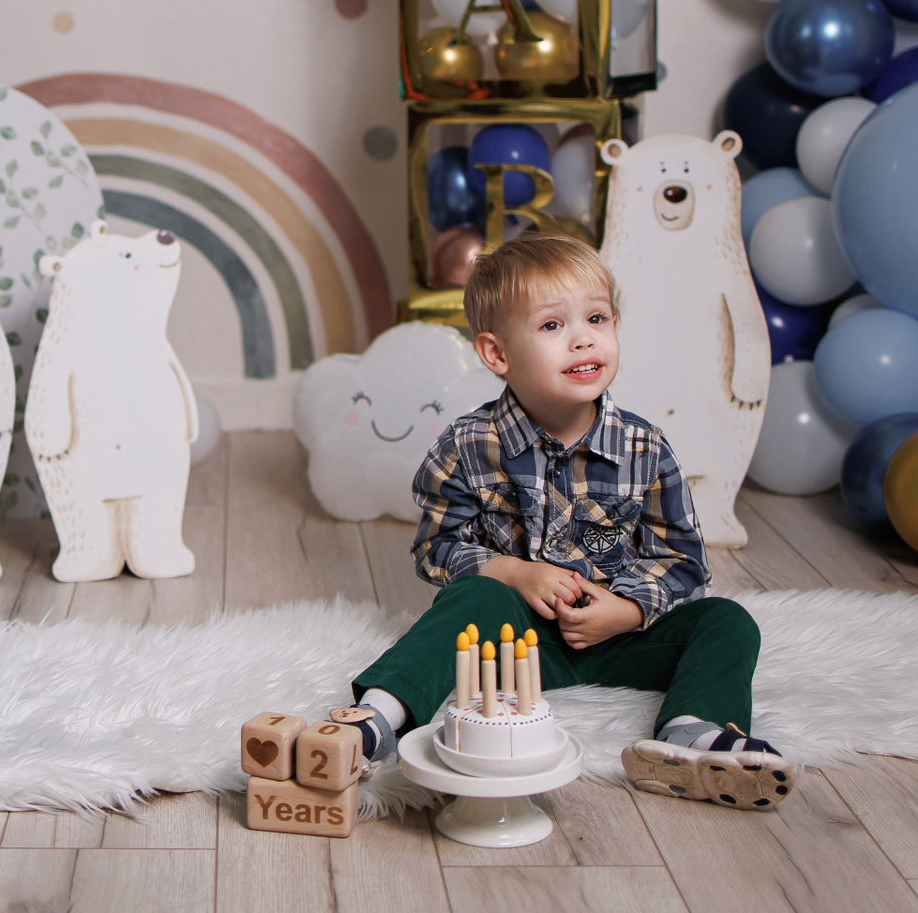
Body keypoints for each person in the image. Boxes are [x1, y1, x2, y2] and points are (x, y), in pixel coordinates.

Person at [327, 233, 791, 810]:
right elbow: (435, 548)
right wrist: (515, 574)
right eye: (552, 325)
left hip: (619, 637)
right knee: (474, 599)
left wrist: (626, 610)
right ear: (498, 354)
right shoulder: (469, 444)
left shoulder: (643, 447)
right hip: (510, 644)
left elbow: (683, 562)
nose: (583, 338)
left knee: (727, 622)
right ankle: (376, 719)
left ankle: (691, 733)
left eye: (597, 318)